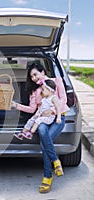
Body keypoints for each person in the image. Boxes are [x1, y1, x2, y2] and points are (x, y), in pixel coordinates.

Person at [12, 61, 69, 193]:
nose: (34, 78)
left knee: (44, 143)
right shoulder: (35, 91)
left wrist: (53, 111)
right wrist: (16, 106)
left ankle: (47, 176)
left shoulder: (56, 81)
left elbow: (64, 100)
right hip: (43, 119)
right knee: (42, 130)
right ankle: (55, 161)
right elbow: (33, 109)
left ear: (43, 72)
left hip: (58, 118)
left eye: (35, 74)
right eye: (31, 77)